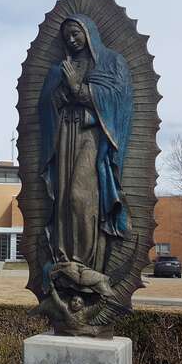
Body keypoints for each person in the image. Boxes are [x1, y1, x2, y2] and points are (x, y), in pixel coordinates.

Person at [37, 14, 134, 277]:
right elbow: (46, 106)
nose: (71, 39)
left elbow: (119, 99)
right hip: (64, 137)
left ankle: (86, 262)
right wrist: (61, 93)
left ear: (88, 32)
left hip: (92, 137)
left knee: (80, 196)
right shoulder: (60, 68)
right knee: (63, 199)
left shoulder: (110, 62)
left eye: (75, 33)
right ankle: (64, 259)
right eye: (66, 35)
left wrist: (78, 89)